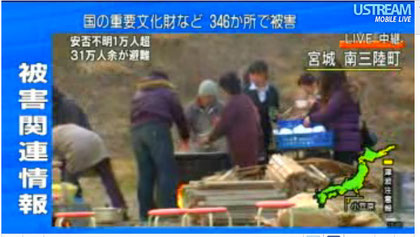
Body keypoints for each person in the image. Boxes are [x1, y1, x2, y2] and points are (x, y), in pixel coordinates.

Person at [130, 71, 190, 222]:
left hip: (136, 134)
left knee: (145, 174)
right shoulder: (167, 92)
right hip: (156, 129)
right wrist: (185, 137)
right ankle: (167, 212)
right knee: (166, 170)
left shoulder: (139, 93)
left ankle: (145, 215)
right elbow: (179, 114)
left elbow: (132, 117)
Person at [53, 124, 128, 217]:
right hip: (96, 142)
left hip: (77, 147)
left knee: (68, 183)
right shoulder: (62, 129)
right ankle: (120, 207)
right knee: (108, 178)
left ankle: (72, 210)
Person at [303, 67, 361, 165]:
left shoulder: (341, 94)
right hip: (347, 140)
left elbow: (328, 113)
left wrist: (311, 118)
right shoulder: (343, 91)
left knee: (344, 171)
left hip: (345, 141)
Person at [204, 72, 261, 167]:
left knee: (243, 174)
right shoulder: (246, 100)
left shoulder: (233, 103)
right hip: (253, 146)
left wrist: (209, 139)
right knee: (250, 172)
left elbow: (222, 126)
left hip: (240, 147)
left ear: (227, 89)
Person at [244, 60, 280, 162]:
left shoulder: (272, 91)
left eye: (257, 74)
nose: (254, 77)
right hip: (249, 132)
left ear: (264, 74)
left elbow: (273, 111)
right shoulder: (245, 91)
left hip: (266, 131)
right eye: (252, 74)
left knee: (264, 160)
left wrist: (276, 116)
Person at [185, 79, 226, 152]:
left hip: (217, 147)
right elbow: (185, 129)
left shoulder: (222, 108)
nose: (209, 100)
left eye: (211, 97)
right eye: (206, 97)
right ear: (200, 96)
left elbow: (226, 128)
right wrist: (196, 139)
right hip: (197, 147)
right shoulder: (190, 109)